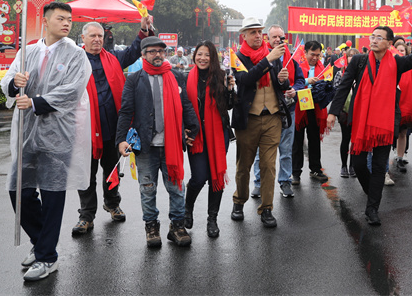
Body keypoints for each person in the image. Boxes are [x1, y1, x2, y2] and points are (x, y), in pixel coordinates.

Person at [2, 2, 92, 282]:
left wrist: (36, 102)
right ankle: (42, 242)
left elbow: (72, 91)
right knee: (19, 190)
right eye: (60, 18)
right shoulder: (27, 52)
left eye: (69, 20)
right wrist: (14, 83)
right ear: (45, 21)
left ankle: (46, 257)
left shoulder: (76, 55)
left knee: (53, 195)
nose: (66, 23)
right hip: (26, 132)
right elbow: (8, 81)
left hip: (58, 134)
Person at [328, 23, 412, 225]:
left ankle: (372, 209)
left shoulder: (396, 63)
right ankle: (372, 192)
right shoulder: (359, 61)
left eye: (379, 37)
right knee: (359, 164)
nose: (374, 40)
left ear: (389, 43)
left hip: (385, 122)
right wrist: (333, 112)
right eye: (373, 36)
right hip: (361, 120)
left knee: (379, 167)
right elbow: (343, 86)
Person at [72, 16, 155, 235]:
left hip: (112, 127)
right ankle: (86, 215)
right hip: (85, 129)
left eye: (100, 36)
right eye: (93, 36)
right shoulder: (74, 61)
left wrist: (144, 30)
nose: (97, 39)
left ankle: (112, 203)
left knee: (112, 170)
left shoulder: (114, 58)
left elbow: (134, 51)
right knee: (86, 174)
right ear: (83, 38)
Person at [116, 36, 199, 248]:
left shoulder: (175, 76)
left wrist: (192, 128)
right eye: (152, 51)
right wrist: (121, 140)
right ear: (143, 55)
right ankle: (151, 226)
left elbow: (186, 104)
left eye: (161, 51)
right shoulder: (135, 79)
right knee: (147, 189)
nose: (157, 55)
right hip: (146, 146)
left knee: (176, 188)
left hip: (172, 144)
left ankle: (177, 226)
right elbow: (126, 111)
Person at [231, 17, 291, 228]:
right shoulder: (238, 57)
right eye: (253, 32)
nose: (258, 36)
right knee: (244, 165)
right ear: (244, 36)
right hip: (248, 119)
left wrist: (283, 80)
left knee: (268, 166)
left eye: (259, 32)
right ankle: (239, 201)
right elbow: (246, 80)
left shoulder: (273, 54)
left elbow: (281, 85)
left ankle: (266, 208)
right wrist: (268, 59)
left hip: (272, 117)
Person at [184, 41, 234, 238]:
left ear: (213, 57)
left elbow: (229, 106)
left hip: (218, 134)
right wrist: (184, 130)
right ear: (194, 56)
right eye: (199, 54)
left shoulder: (222, 76)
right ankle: (187, 209)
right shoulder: (187, 78)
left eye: (207, 55)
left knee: (216, 175)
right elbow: (182, 106)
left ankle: (212, 219)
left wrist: (229, 90)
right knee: (199, 177)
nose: (202, 58)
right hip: (196, 135)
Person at [251, 25, 304, 197]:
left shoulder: (292, 59)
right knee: (261, 151)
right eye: (274, 37)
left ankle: (285, 181)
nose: (277, 40)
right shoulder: (261, 58)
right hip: (266, 111)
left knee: (286, 150)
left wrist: (294, 90)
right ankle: (259, 183)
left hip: (287, 110)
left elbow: (300, 80)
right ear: (267, 38)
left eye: (280, 37)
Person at [292, 40, 331, 184]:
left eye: (318, 55)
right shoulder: (297, 65)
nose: (315, 58)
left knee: (314, 139)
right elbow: (291, 83)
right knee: (297, 140)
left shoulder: (322, 68)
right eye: (312, 54)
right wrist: (307, 81)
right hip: (299, 106)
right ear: (305, 53)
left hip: (315, 106)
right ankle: (295, 172)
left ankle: (315, 169)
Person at [393, 42, 412, 173]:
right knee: (390, 134)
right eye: (397, 50)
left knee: (402, 133)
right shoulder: (390, 66)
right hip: (392, 105)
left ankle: (400, 158)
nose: (400, 53)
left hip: (406, 104)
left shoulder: (411, 68)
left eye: (402, 50)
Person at [335, 47, 359, 178]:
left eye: (355, 55)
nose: (352, 57)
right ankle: (344, 165)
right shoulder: (340, 74)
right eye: (350, 55)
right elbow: (336, 91)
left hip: (357, 111)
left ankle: (353, 165)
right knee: (345, 138)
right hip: (344, 111)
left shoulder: (362, 73)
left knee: (355, 139)